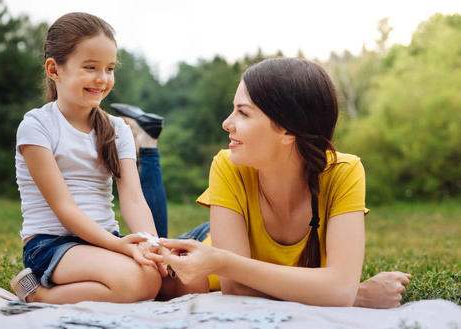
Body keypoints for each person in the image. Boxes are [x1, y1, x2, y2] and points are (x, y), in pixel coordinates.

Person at [124, 58, 411, 308]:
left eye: (243, 112)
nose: (226, 122)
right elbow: (235, 289)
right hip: (209, 245)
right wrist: (356, 295)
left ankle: (147, 142)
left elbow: (337, 287)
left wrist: (340, 291)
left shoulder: (343, 172)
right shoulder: (228, 165)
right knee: (156, 266)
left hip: (223, 251)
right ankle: (147, 146)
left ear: (287, 130)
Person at [9, 12, 166, 304]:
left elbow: (133, 198)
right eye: (90, 67)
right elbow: (64, 208)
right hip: (51, 244)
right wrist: (121, 247)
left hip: (103, 239)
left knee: (166, 277)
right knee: (137, 282)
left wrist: (151, 246)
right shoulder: (37, 126)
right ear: (54, 69)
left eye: (109, 69)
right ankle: (37, 293)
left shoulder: (118, 129)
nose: (102, 79)